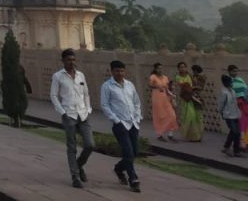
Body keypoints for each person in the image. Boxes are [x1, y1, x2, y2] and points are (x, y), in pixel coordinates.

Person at [49, 48, 93, 188]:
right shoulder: (58, 76)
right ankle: (75, 177)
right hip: (69, 114)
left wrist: (88, 109)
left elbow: (86, 93)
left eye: (73, 59)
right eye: (69, 60)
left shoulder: (81, 75)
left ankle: (79, 166)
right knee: (72, 147)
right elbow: (54, 95)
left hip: (83, 114)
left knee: (90, 145)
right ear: (63, 61)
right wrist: (62, 112)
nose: (72, 62)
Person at [100, 59, 142, 193]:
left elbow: (136, 102)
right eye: (117, 71)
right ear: (112, 71)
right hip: (120, 124)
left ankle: (118, 168)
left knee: (134, 152)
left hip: (133, 123)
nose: (120, 73)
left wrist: (137, 117)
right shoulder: (107, 86)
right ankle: (133, 179)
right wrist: (116, 120)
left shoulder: (130, 85)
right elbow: (105, 105)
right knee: (128, 152)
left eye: (122, 70)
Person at [148, 62, 178, 142]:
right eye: (158, 68)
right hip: (157, 97)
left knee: (172, 115)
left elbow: (168, 87)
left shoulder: (165, 77)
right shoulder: (153, 76)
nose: (160, 70)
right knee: (159, 116)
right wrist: (157, 86)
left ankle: (170, 134)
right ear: (155, 69)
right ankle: (159, 134)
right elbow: (150, 85)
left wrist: (171, 94)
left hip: (166, 97)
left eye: (161, 68)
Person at [175, 62, 203, 142]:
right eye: (181, 67)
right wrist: (192, 87)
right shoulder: (177, 77)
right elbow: (185, 87)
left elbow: (192, 85)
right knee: (189, 117)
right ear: (178, 68)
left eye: (184, 67)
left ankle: (196, 136)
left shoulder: (189, 76)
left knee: (196, 117)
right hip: (185, 99)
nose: (182, 68)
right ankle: (192, 136)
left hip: (192, 98)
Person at [219, 74, 245, 157]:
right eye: (230, 82)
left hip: (236, 114)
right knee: (236, 132)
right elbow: (221, 104)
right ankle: (236, 150)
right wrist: (221, 112)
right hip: (228, 115)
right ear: (225, 83)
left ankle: (226, 147)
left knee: (233, 132)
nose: (231, 83)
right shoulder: (223, 92)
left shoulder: (233, 91)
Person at [229, 64, 248, 150]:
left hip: (244, 105)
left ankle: (244, 143)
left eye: (236, 71)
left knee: (244, 124)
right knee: (239, 126)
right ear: (229, 71)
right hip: (235, 105)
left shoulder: (240, 80)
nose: (235, 73)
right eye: (233, 71)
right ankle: (240, 144)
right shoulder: (228, 81)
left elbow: (245, 90)